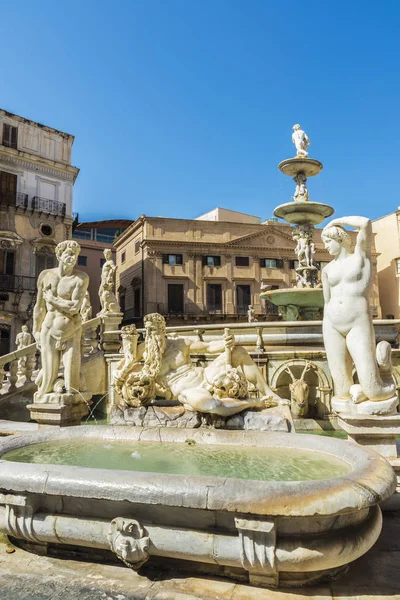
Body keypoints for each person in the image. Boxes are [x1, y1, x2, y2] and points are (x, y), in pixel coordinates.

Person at [114, 313, 284, 417]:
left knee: (239, 351)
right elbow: (122, 367)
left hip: (205, 375)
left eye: (156, 329)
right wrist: (121, 373)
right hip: (186, 390)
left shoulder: (180, 343)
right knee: (212, 406)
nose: (153, 334)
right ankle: (254, 402)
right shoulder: (144, 350)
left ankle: (270, 394)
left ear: (163, 329)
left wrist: (226, 342)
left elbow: (209, 347)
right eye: (149, 330)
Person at [321, 216, 395, 404]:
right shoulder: (327, 270)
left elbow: (365, 223)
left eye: (328, 241)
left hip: (356, 324)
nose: (326, 246)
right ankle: (359, 391)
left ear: (339, 239)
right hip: (331, 326)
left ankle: (385, 369)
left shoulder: (360, 257)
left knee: (376, 392)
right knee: (342, 392)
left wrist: (334, 222)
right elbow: (327, 301)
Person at [33, 240, 89, 398]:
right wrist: (35, 330)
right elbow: (40, 306)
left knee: (72, 385)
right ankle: (48, 397)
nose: (73, 258)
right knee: (47, 383)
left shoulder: (80, 278)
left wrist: (53, 299)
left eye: (75, 255)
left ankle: (70, 399)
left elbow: (74, 307)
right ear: (59, 255)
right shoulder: (45, 276)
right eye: (69, 254)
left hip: (71, 330)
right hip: (48, 329)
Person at [99, 248, 119, 314]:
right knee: (100, 293)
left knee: (104, 294)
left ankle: (105, 308)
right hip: (103, 280)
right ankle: (103, 308)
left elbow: (113, 267)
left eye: (107, 254)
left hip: (107, 280)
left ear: (110, 254)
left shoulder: (110, 261)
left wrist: (113, 269)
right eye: (105, 254)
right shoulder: (106, 263)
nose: (106, 255)